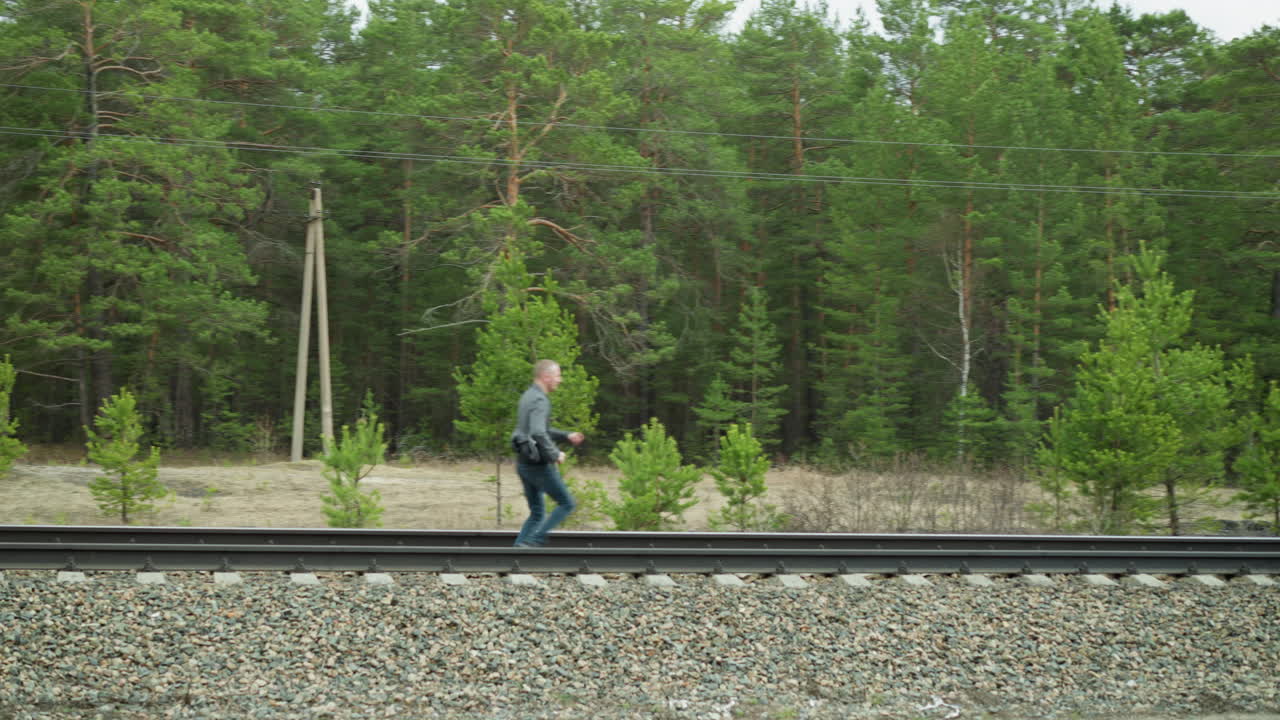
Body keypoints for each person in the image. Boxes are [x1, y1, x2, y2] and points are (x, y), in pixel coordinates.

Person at [511, 359, 584, 547]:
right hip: (537, 465)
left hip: (524, 463)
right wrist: (555, 454)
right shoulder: (539, 399)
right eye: (558, 375)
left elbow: (539, 429)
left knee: (537, 512)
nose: (560, 380)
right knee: (567, 503)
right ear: (546, 376)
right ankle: (536, 540)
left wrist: (567, 436)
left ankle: (515, 555)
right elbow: (537, 432)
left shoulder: (528, 396)